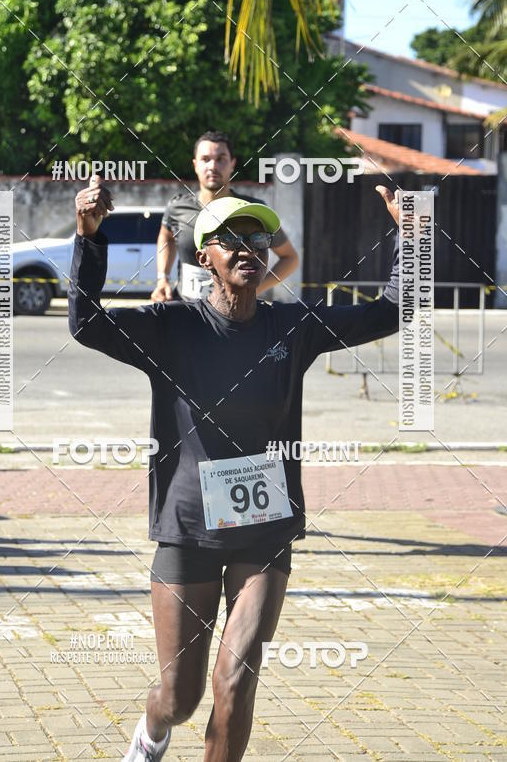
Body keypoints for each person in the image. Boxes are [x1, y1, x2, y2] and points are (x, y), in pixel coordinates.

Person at [68, 175, 401, 762]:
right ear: (205, 257)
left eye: (257, 236)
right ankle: (150, 735)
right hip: (188, 529)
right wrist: (88, 237)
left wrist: (413, 237)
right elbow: (86, 323)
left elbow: (391, 312)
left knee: (236, 682)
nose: (249, 247)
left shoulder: (291, 327)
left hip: (264, 531)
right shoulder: (172, 327)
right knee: (181, 696)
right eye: (231, 238)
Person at [150, 130, 299, 303]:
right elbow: (166, 236)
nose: (213, 166)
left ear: (232, 164)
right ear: (195, 164)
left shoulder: (251, 212)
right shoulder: (177, 207)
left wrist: (254, 289)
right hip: (185, 309)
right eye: (205, 159)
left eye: (221, 159)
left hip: (233, 315)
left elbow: (290, 258)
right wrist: (162, 279)